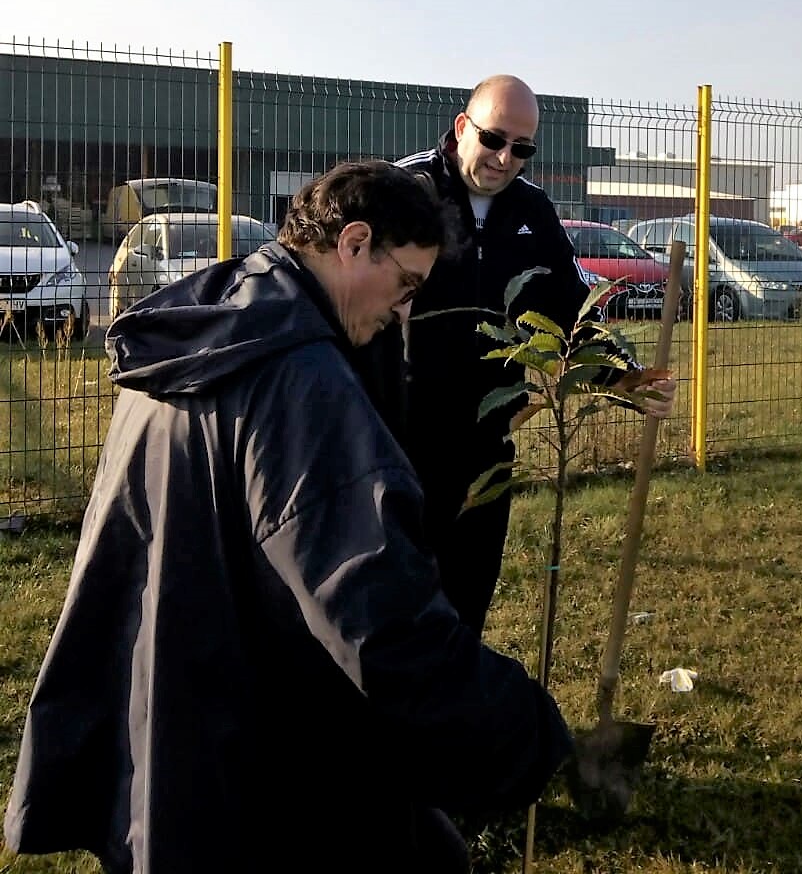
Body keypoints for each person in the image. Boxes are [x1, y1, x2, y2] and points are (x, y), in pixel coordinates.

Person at [3, 161, 576, 874]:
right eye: (405, 286)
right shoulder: (300, 381)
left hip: (164, 705)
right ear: (355, 242)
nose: (404, 313)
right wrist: (524, 731)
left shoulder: (208, 327)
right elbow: (377, 613)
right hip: (246, 752)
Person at [386, 75, 677, 636]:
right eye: (494, 139)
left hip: (485, 446)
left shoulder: (531, 210)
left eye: (522, 149)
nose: (503, 158)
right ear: (461, 128)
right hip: (395, 438)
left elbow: (572, 309)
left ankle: (454, 712)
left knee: (466, 603)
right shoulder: (405, 192)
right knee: (391, 604)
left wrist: (626, 378)